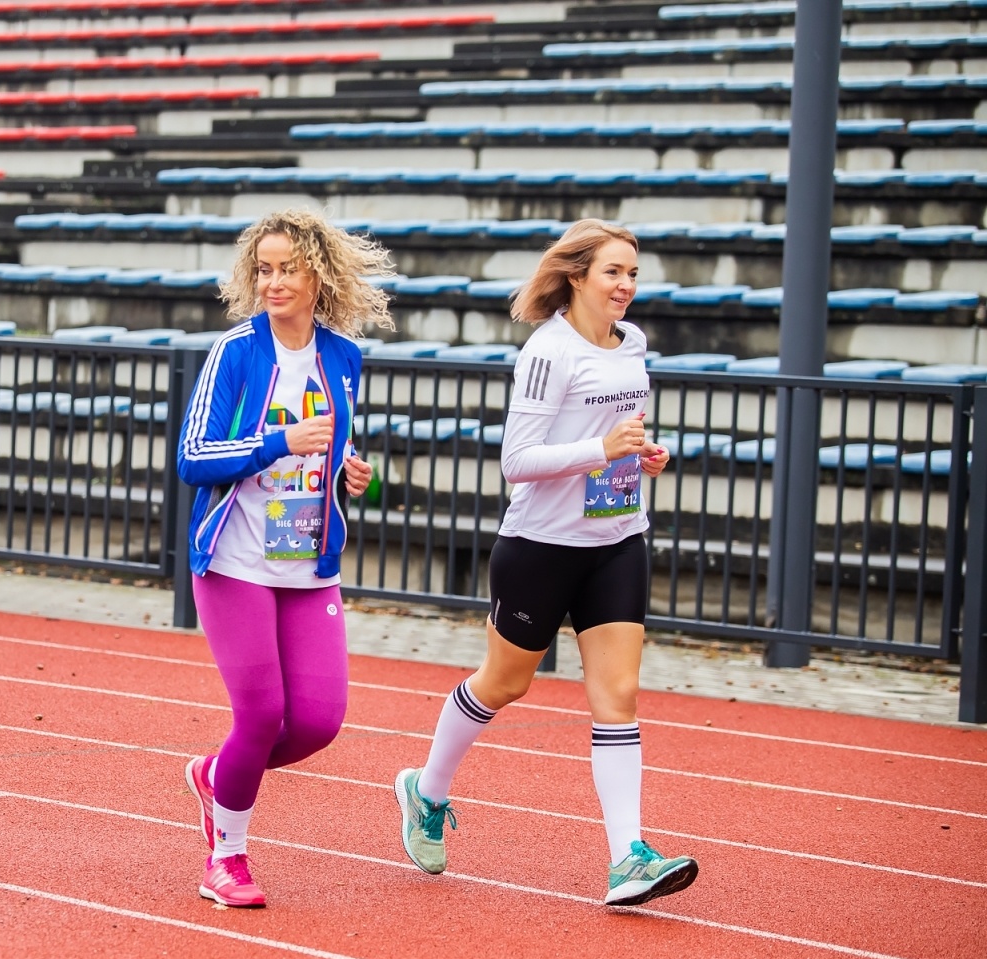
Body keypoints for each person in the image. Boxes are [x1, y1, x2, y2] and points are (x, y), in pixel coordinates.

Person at [393, 219, 699, 907]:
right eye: (614, 273)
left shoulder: (635, 347)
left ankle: (628, 858)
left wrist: (644, 456)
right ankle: (426, 791)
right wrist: (601, 448)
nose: (626, 287)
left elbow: (618, 440)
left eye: (633, 274)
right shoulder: (547, 352)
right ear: (577, 277)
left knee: (617, 697)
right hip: (541, 547)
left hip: (616, 541)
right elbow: (516, 463)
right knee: (505, 684)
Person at [177, 209, 391, 907]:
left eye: (287, 269)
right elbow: (193, 457)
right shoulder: (235, 353)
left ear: (319, 274)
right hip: (236, 560)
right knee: (262, 716)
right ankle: (227, 857)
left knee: (319, 722)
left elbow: (336, 446)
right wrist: (278, 443)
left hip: (307, 559)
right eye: (263, 269)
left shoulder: (343, 356)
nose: (273, 282)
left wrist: (351, 471)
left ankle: (217, 776)